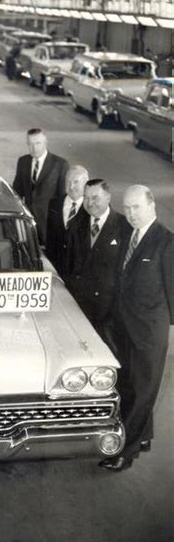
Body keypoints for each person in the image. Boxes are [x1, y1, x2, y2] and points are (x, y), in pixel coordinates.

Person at [100, 185, 173, 472]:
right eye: (127, 208)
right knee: (131, 386)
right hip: (124, 328)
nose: (130, 213)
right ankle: (143, 437)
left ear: (151, 205)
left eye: (136, 207)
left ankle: (125, 452)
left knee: (142, 392)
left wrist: (158, 327)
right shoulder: (129, 234)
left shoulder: (166, 242)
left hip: (149, 334)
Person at [65, 179, 123, 347]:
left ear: (108, 198)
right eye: (86, 198)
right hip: (79, 305)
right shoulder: (77, 224)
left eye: (95, 198)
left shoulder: (123, 226)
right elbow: (69, 262)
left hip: (107, 312)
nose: (90, 203)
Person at [12, 128, 68, 246]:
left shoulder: (59, 164)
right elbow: (16, 192)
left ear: (45, 142)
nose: (34, 148)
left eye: (38, 143)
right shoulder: (23, 162)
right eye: (30, 144)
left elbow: (62, 197)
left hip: (48, 224)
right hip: (28, 223)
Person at [45, 165, 89, 279]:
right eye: (68, 182)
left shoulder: (92, 208)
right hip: (57, 271)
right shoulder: (54, 204)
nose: (71, 186)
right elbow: (50, 239)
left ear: (86, 184)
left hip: (80, 274)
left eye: (76, 182)